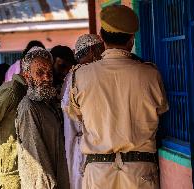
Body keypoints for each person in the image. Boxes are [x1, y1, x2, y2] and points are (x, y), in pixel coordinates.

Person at [67, 5, 169, 189]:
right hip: (139, 172)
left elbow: (76, 114)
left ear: (102, 37)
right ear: (131, 40)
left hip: (98, 173)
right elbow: (161, 110)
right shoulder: (150, 74)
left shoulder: (80, 76)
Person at [16, 47, 69, 189]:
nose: (46, 78)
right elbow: (37, 160)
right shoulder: (29, 108)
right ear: (27, 76)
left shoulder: (50, 103)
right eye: (39, 73)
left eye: (49, 73)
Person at [61, 34, 105, 189]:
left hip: (80, 147)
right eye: (102, 50)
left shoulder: (72, 76)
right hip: (85, 147)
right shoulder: (83, 75)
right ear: (93, 50)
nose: (104, 55)